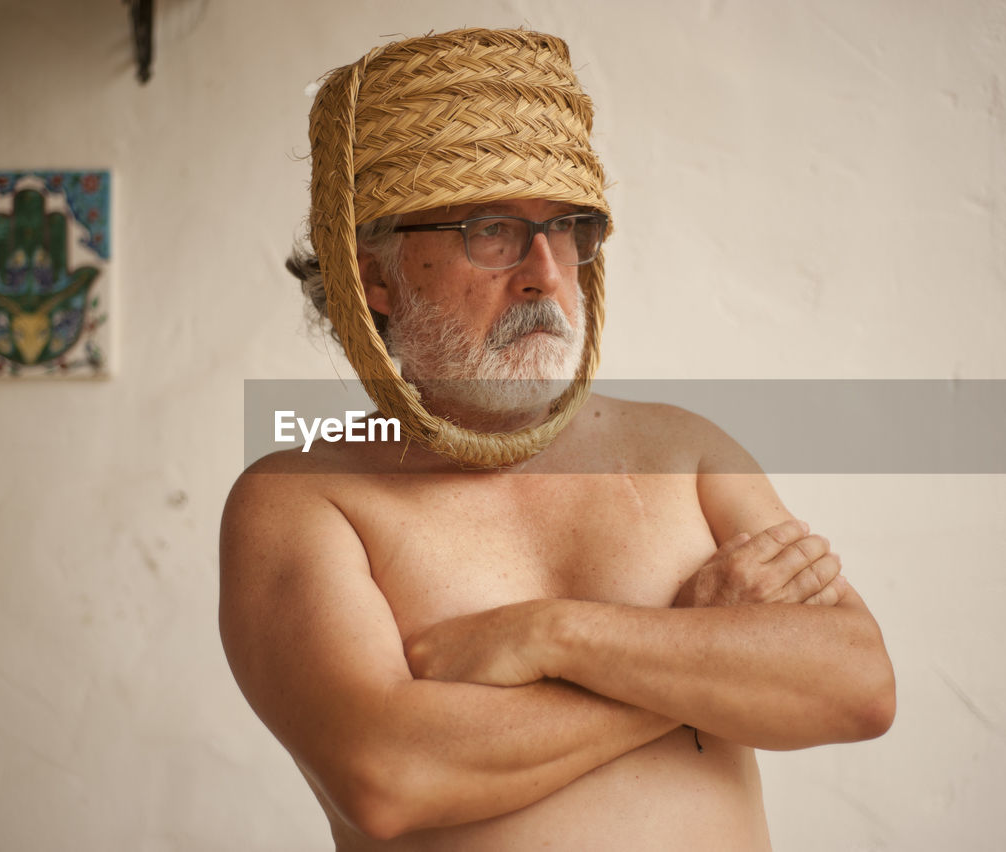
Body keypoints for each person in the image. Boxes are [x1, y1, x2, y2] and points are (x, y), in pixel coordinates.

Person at [220, 28, 895, 850]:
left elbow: (856, 686)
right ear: (376, 280)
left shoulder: (683, 451)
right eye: (491, 232)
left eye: (567, 227)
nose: (544, 271)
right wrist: (699, 645)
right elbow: (389, 777)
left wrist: (551, 635)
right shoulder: (299, 499)